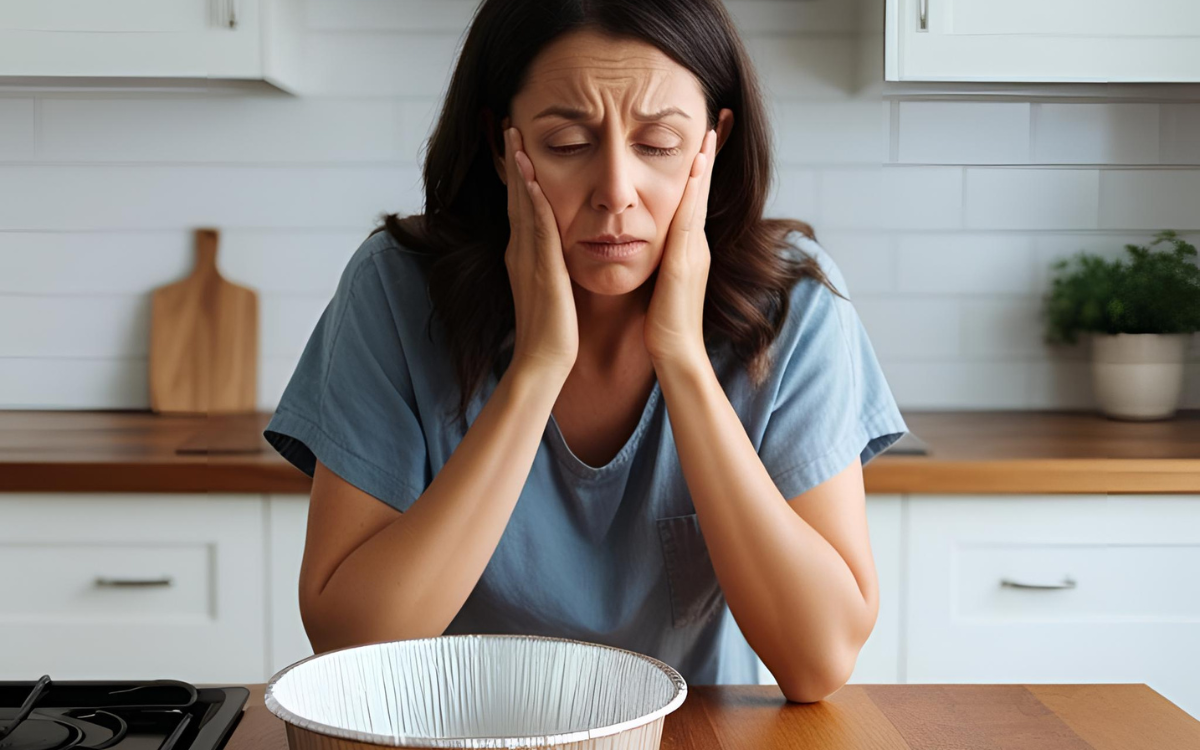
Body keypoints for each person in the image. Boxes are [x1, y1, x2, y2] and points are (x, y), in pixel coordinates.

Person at [263, 0, 908, 704]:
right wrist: (537, 368)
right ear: (501, 145)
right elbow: (351, 647)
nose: (615, 193)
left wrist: (684, 361)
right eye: (568, 143)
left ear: (713, 145)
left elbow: (818, 661)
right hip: (463, 733)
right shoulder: (394, 290)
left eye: (658, 145)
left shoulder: (794, 303)